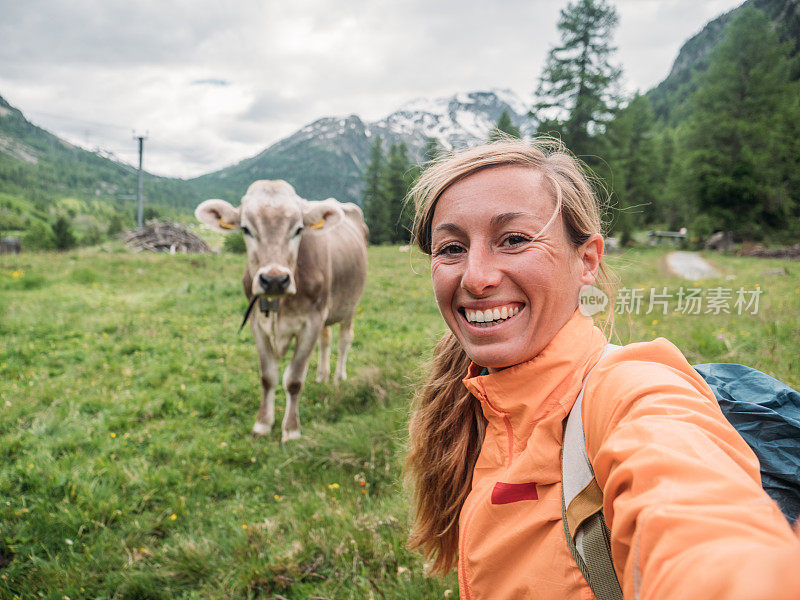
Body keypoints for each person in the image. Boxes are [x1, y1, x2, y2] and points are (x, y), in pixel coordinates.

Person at [404, 138, 800, 599]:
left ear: (587, 260)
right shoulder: (479, 405)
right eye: (451, 248)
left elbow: (700, 528)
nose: (475, 277)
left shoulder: (633, 391)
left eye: (513, 240)